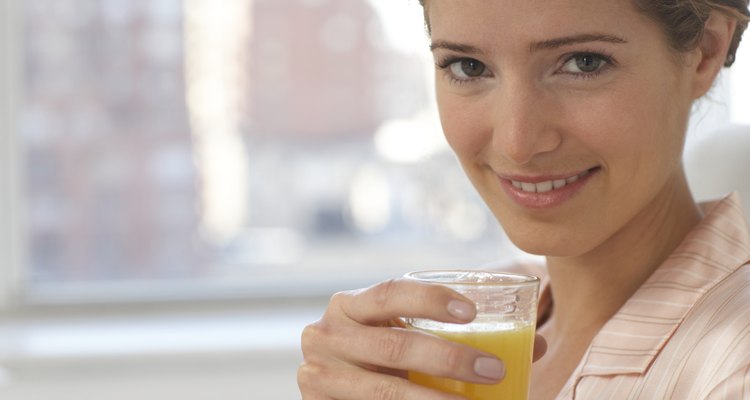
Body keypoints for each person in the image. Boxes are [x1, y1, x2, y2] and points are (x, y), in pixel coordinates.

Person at [297, 0, 750, 398]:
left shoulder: (734, 367)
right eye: (468, 66)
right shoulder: (476, 322)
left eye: (584, 62)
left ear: (704, 52)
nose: (517, 142)